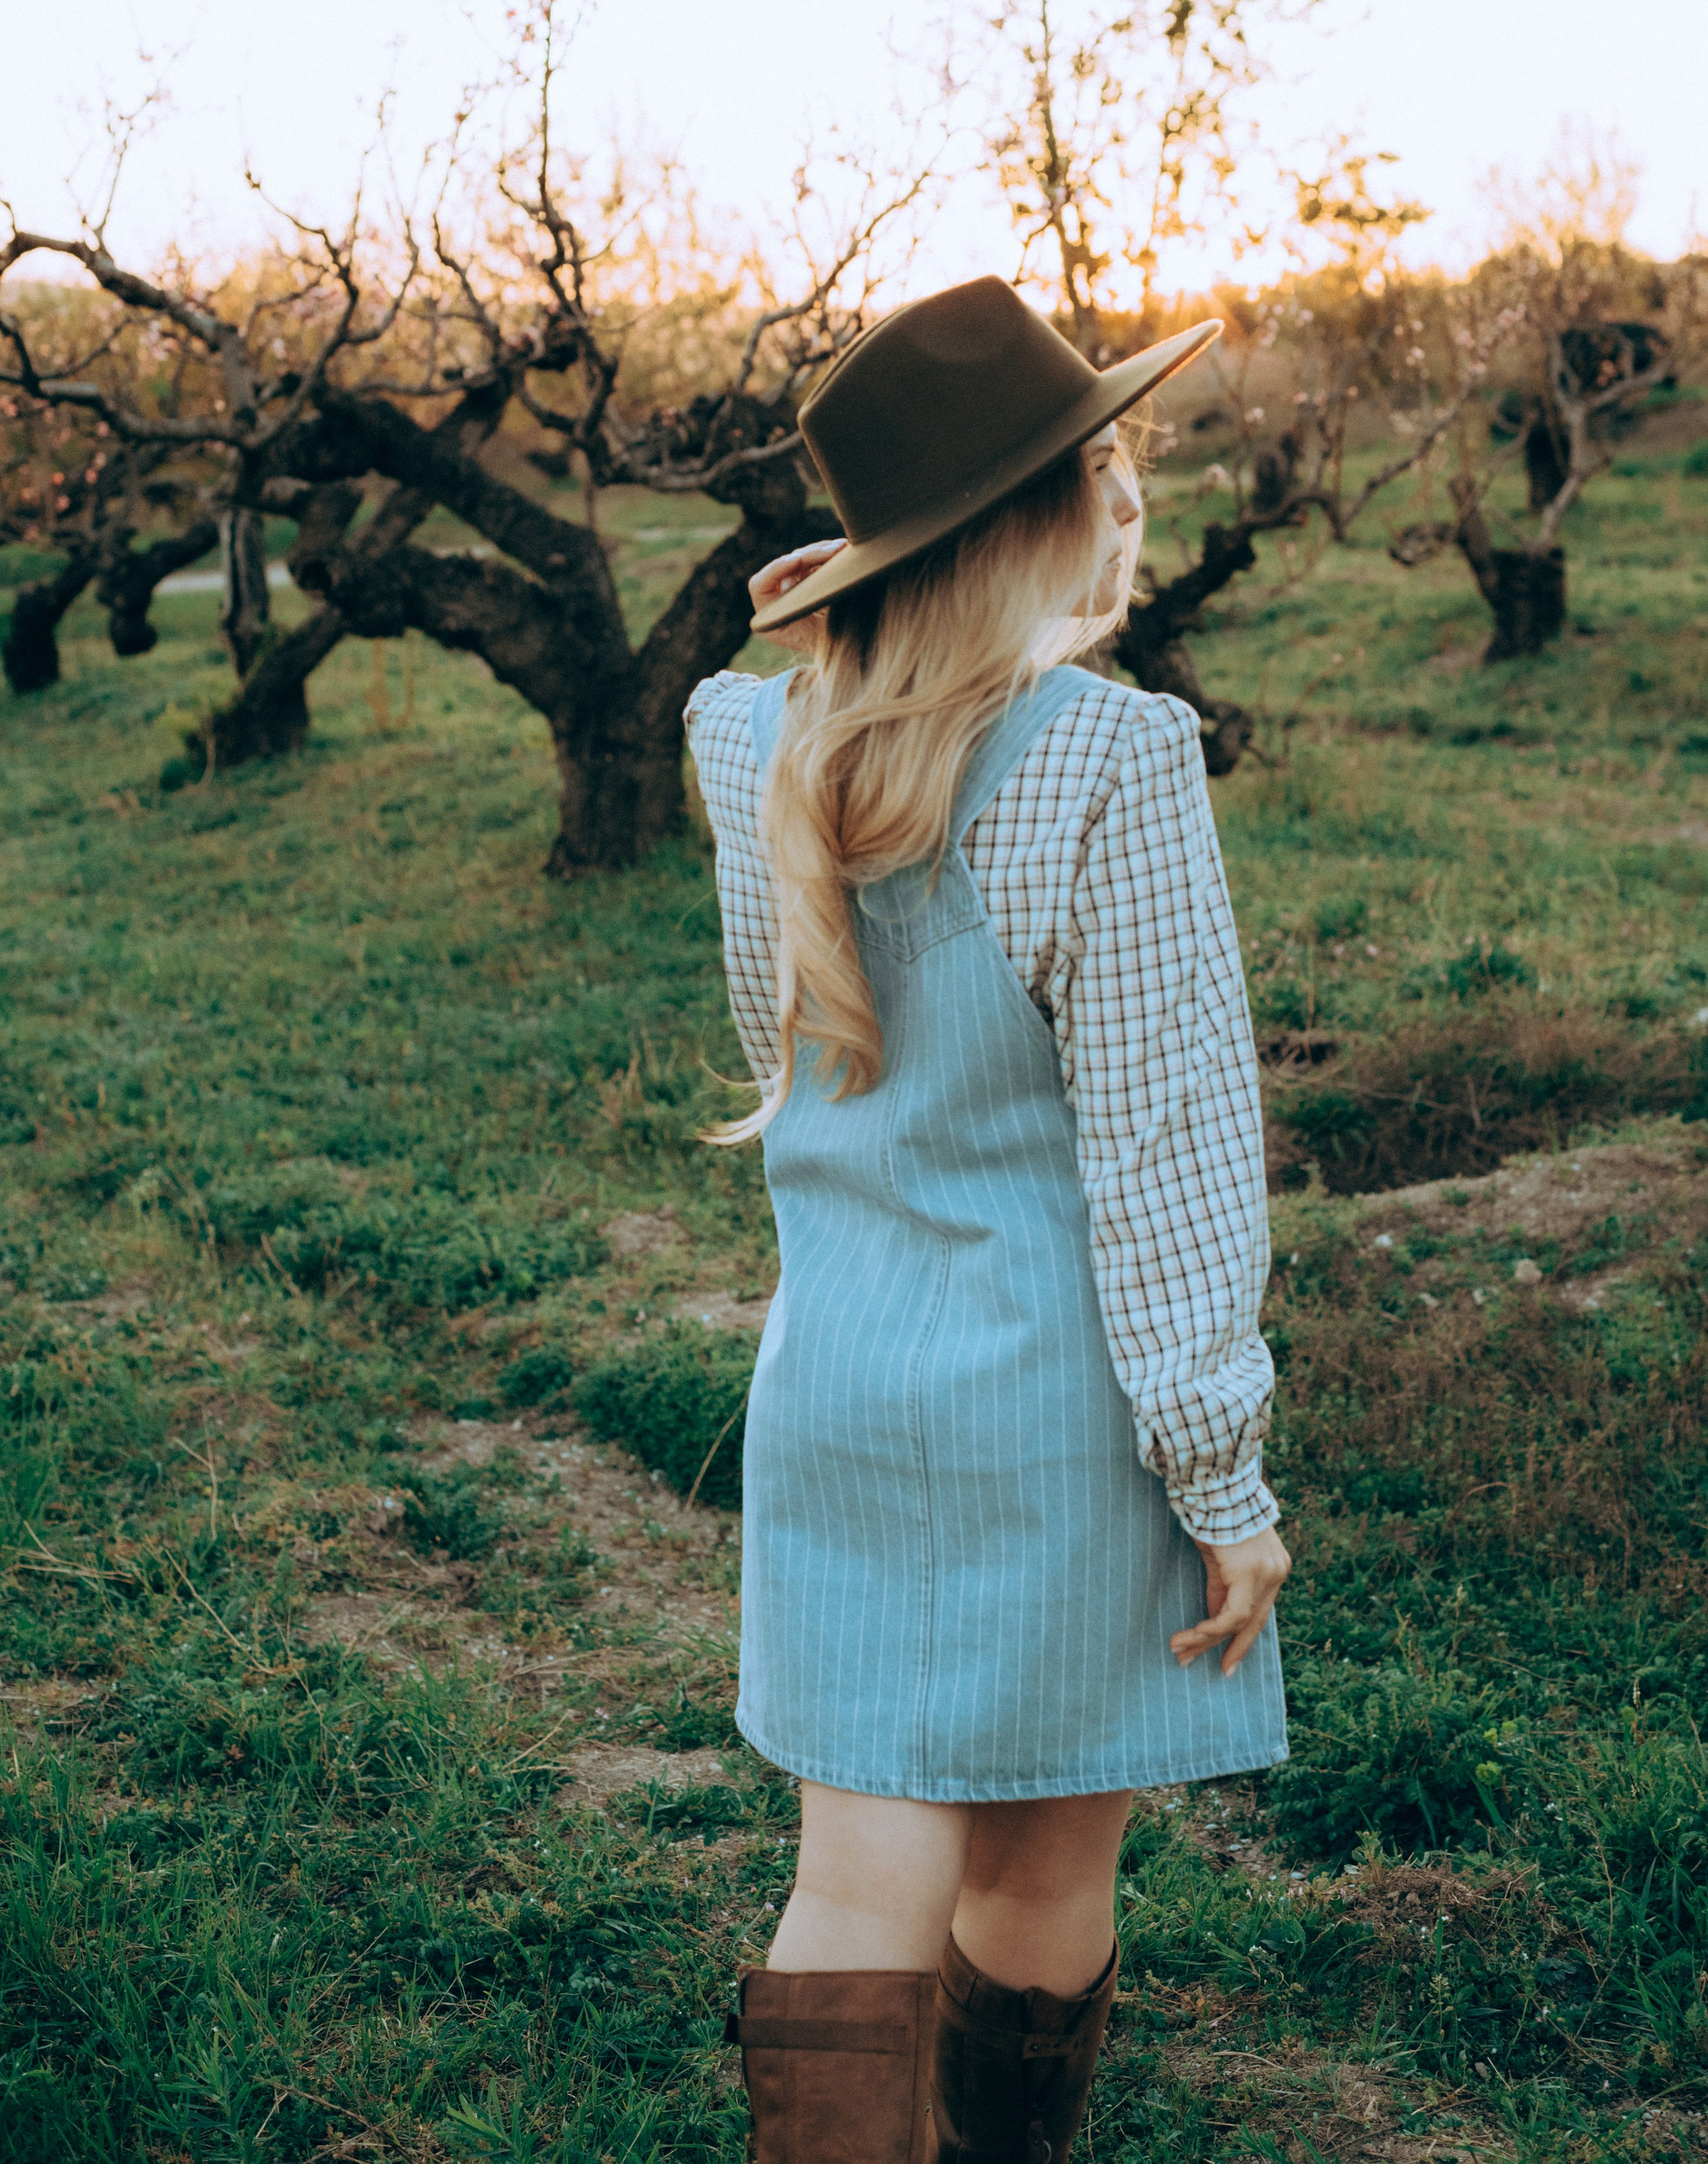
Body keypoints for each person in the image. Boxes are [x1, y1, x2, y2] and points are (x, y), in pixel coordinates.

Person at [684, 276, 1291, 2164]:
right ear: (1046, 512)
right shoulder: (1112, 764)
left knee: (856, 1882)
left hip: (843, 1386)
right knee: (1037, 1864)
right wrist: (1223, 1474)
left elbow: (787, 1023)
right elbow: (1170, 1146)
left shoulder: (749, 748)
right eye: (1094, 457)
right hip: (1054, 1412)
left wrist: (872, 556)